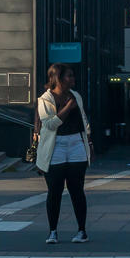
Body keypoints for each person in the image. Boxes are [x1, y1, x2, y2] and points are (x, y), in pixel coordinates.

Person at [36, 63, 91, 245]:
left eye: (72, 76)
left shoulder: (76, 96)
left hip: (76, 144)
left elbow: (83, 119)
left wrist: (88, 141)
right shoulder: (45, 100)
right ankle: (53, 232)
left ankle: (82, 231)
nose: (73, 79)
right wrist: (68, 107)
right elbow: (50, 124)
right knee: (55, 191)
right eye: (69, 76)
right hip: (55, 146)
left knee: (77, 190)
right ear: (58, 78)